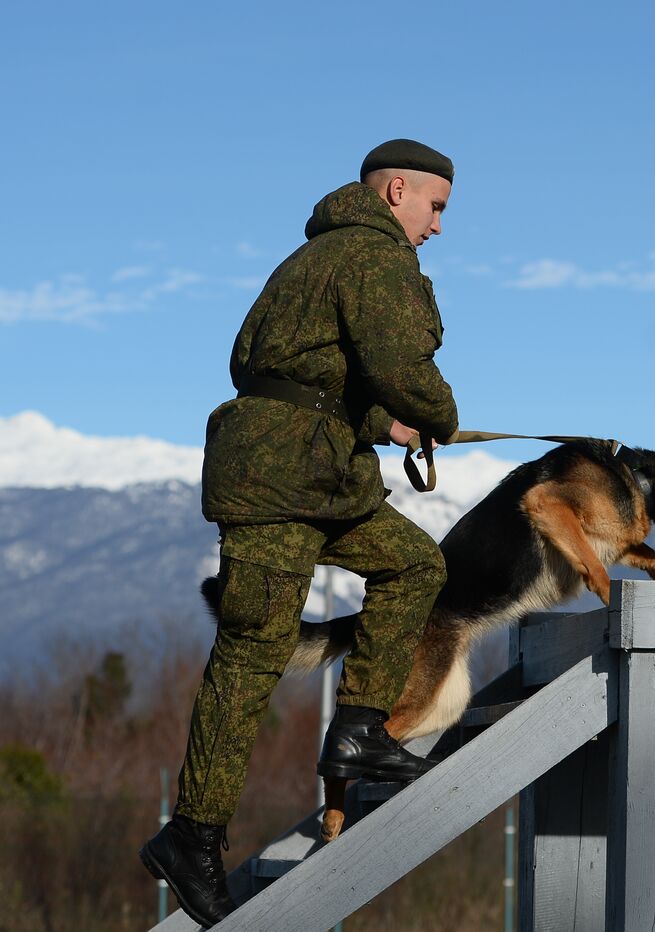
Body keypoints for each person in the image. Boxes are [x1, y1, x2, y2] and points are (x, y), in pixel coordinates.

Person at [139, 139, 461, 928]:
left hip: (313, 467)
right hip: (280, 476)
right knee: (253, 651)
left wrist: (380, 422)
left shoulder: (322, 257)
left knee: (414, 565)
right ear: (396, 192)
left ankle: (355, 730)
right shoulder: (371, 255)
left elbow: (298, 367)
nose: (439, 226)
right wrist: (436, 415)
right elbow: (399, 361)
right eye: (437, 207)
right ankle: (192, 837)